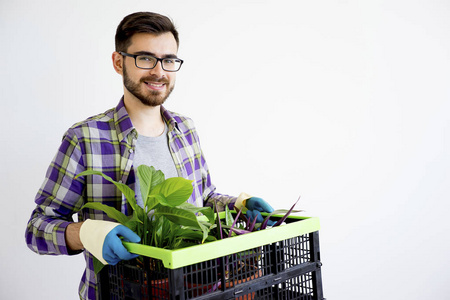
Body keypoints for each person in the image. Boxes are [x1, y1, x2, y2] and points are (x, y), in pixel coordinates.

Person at [25, 12, 274, 300]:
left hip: (195, 291)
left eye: (168, 60)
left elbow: (204, 201)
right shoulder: (85, 138)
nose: (159, 71)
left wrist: (239, 205)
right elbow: (37, 228)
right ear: (119, 62)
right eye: (145, 58)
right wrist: (86, 233)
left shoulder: (185, 130)